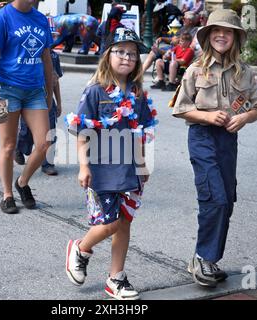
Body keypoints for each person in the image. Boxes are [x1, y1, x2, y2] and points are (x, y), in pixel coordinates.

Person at [172, 9, 257, 288]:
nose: (221, 35)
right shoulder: (195, 69)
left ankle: (209, 258)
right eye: (216, 31)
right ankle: (202, 256)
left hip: (227, 140)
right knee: (214, 197)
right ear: (208, 36)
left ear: (235, 37)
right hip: (202, 137)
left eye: (227, 31)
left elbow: (256, 107)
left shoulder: (245, 72)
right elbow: (180, 108)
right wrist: (207, 116)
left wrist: (244, 117)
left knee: (227, 199)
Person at [65, 27, 157, 300]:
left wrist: (142, 165)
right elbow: (82, 132)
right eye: (121, 52)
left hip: (129, 170)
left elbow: (140, 132)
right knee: (109, 223)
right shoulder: (95, 91)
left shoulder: (138, 93)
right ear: (108, 55)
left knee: (124, 222)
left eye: (132, 54)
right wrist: (83, 166)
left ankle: (116, 277)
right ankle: (81, 248)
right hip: (101, 170)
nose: (127, 58)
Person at [0, 0, 53, 214]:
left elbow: (46, 58)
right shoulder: (1, 18)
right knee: (9, 145)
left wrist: (48, 92)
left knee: (44, 142)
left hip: (34, 91)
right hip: (7, 91)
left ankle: (22, 183)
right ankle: (7, 195)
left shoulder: (41, 19)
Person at [14, 16, 63, 176]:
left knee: (50, 133)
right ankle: (20, 148)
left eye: (54, 36)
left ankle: (47, 162)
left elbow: (55, 81)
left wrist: (59, 103)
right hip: (30, 97)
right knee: (26, 131)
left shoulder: (54, 57)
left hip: (47, 99)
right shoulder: (28, 52)